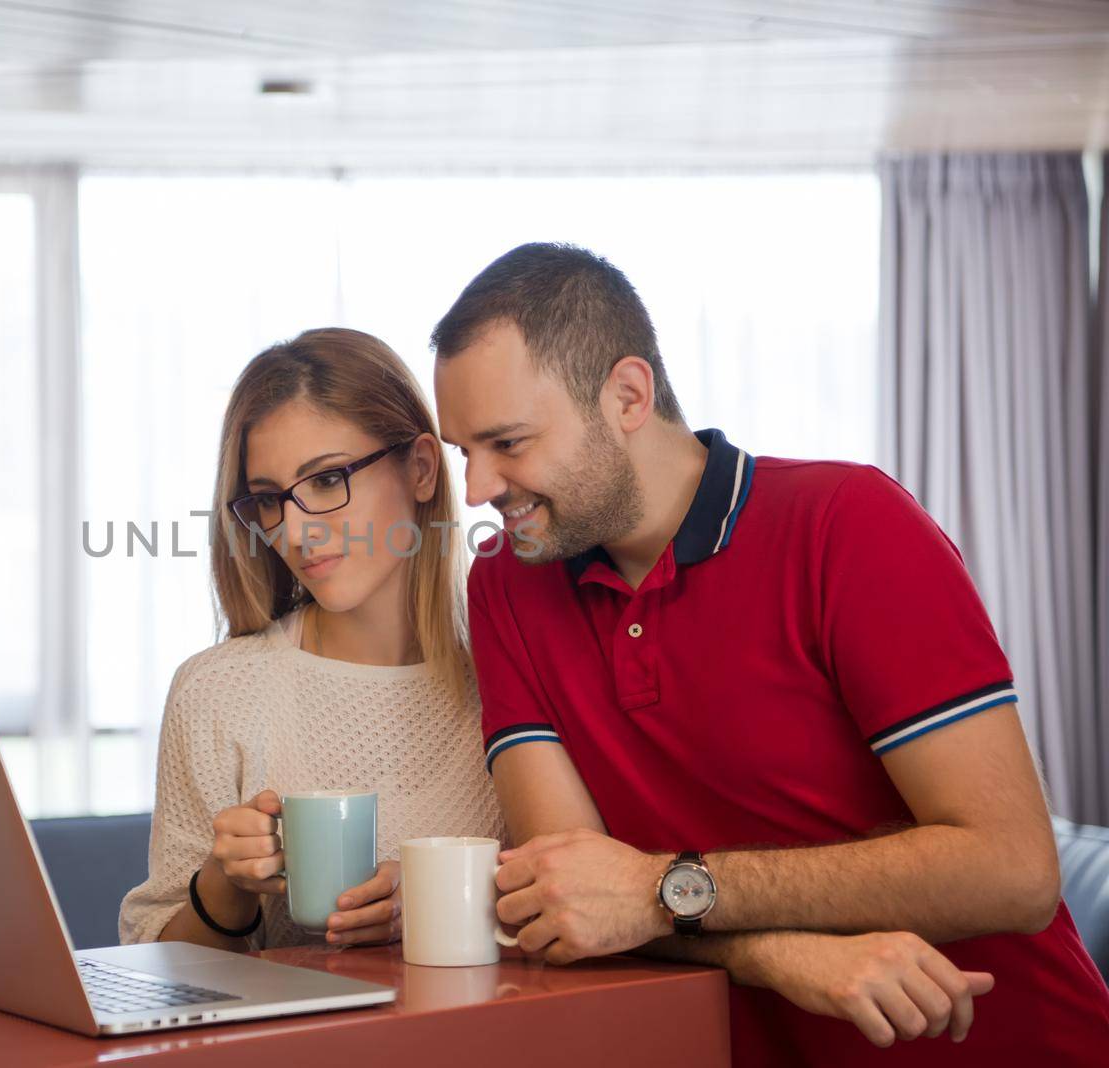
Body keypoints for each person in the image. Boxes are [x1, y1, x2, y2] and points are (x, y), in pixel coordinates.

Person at [430, 242, 1109, 1064]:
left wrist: (663, 892)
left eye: (506, 442)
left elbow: (1015, 870)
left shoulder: (848, 525)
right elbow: (579, 903)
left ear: (628, 396)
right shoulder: (507, 583)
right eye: (464, 450)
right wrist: (779, 953)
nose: (477, 488)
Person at [119, 327, 503, 952]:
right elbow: (157, 967)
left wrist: (441, 901)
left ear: (423, 469)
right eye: (269, 500)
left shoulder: (514, 671)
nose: (294, 532)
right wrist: (225, 883)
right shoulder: (217, 693)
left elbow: (579, 907)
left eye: (327, 480)